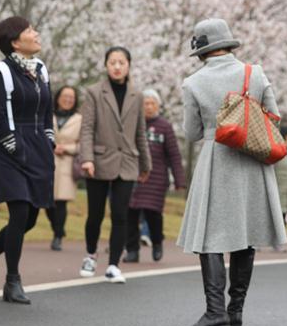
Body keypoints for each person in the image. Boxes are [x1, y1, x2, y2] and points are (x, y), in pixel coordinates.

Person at [177, 18, 287, 326]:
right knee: (245, 236)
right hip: (253, 160)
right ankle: (234, 313)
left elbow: (192, 132)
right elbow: (274, 115)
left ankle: (214, 312)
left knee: (208, 236)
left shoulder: (193, 83)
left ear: (201, 49)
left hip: (216, 161)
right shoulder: (255, 73)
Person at [0, 17, 54, 304]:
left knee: (29, 219)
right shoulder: (1, 71)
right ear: (15, 41)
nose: (36, 33)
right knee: (18, 212)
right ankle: (12, 281)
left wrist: (49, 138)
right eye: (30, 31)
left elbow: (47, 109)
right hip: (8, 148)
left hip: (38, 145)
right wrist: (15, 146)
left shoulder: (40, 68)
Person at [78, 46, 151, 283]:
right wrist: (86, 158)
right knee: (96, 214)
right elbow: (87, 127)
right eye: (112, 62)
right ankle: (90, 255)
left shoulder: (137, 95)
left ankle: (113, 265)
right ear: (106, 65)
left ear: (129, 65)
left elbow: (140, 132)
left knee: (121, 215)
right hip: (98, 161)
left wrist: (145, 164)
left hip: (127, 162)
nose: (117, 66)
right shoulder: (94, 92)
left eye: (121, 62)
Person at [123, 89, 187, 263]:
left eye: (152, 104)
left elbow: (174, 154)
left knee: (153, 214)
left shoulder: (164, 127)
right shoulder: (132, 124)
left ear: (158, 106)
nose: (149, 107)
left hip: (157, 179)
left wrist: (179, 180)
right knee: (131, 213)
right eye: (145, 104)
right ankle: (132, 250)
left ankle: (157, 242)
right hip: (133, 175)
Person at [46, 85, 82, 251]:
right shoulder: (47, 115)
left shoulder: (79, 119)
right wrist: (52, 146)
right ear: (58, 97)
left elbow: (82, 144)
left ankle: (58, 236)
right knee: (47, 202)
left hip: (67, 164)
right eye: (65, 96)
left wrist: (66, 148)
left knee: (60, 202)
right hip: (48, 162)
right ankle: (58, 229)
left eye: (71, 98)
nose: (67, 100)